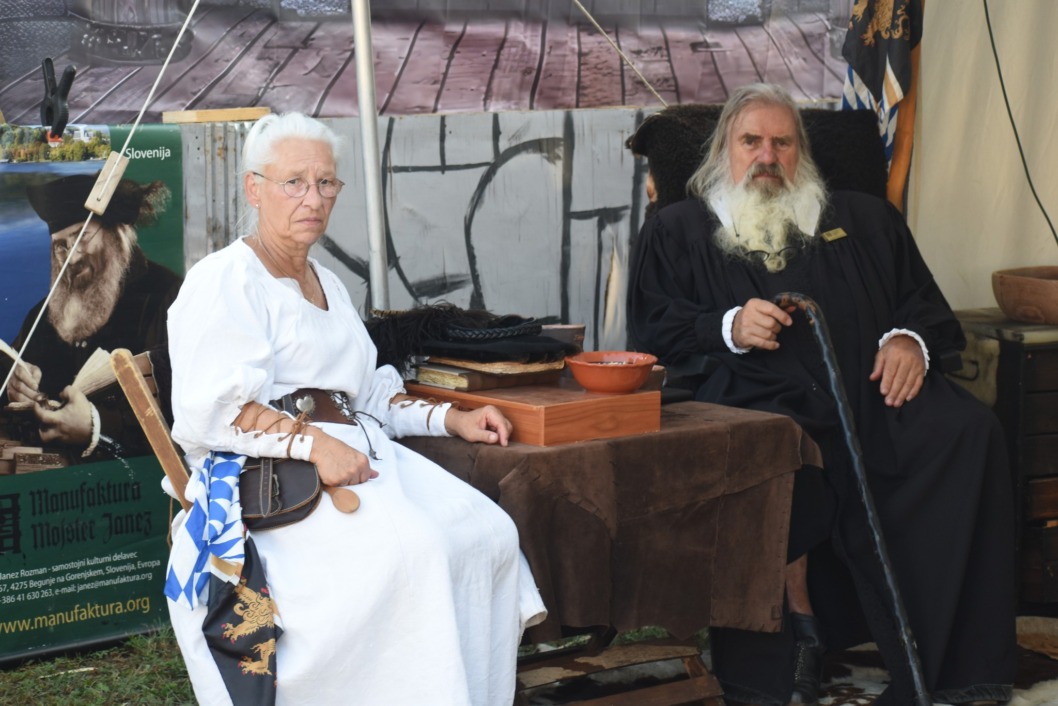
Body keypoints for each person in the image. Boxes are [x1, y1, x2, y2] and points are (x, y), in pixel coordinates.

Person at [627, 83, 1016, 706]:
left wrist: (908, 340)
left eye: (782, 143)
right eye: (751, 141)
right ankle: (797, 636)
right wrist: (727, 326)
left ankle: (953, 660)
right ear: (724, 152)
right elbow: (652, 330)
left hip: (869, 395)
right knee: (775, 452)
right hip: (754, 396)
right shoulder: (679, 229)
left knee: (967, 432)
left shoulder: (865, 220)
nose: (767, 156)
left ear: (801, 153)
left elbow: (922, 303)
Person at [164, 111, 546, 705]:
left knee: (489, 533)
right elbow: (215, 411)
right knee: (418, 551)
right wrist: (315, 446)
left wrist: (451, 418)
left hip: (360, 458)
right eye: (294, 182)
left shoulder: (328, 283)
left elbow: (369, 396)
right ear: (253, 188)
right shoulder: (224, 279)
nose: (313, 198)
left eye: (326, 183)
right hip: (274, 480)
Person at [2, 173, 181, 461]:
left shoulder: (167, 296)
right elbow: (10, 380)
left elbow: (184, 410)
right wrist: (14, 387)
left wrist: (97, 426)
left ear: (115, 233)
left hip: (132, 482)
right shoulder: (41, 315)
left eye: (81, 237)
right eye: (61, 245)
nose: (71, 258)